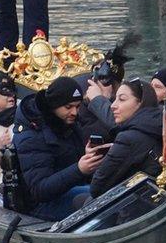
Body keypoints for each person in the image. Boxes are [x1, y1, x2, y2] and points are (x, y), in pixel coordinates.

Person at [13, 76, 107, 221]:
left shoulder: (67, 122)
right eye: (68, 107)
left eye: (77, 106)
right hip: (40, 205)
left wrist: (87, 156)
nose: (75, 112)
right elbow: (39, 190)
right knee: (101, 199)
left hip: (71, 189)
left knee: (111, 191)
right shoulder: (31, 136)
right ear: (53, 106)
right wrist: (79, 169)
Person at [89, 78, 164, 198]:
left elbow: (96, 188)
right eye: (115, 99)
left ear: (140, 103)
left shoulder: (128, 138)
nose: (113, 105)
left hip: (130, 208)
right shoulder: (160, 126)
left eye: (122, 99)